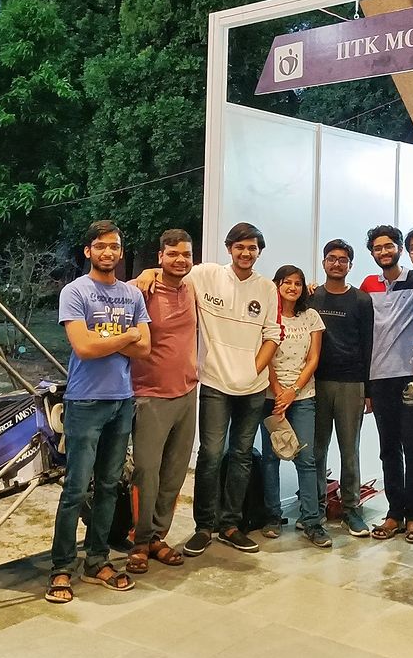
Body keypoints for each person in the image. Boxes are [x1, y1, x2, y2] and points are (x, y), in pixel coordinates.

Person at [135, 222, 282, 556]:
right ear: (229, 249)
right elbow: (173, 270)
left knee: (241, 456)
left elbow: (273, 334)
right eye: (240, 247)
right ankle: (204, 526)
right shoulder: (205, 275)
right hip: (214, 383)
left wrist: (252, 370)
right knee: (211, 454)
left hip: (253, 388)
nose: (246, 253)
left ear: (259, 252)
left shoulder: (266, 288)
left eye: (252, 248)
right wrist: (147, 271)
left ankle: (230, 525)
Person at [45, 220, 151, 604]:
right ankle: (61, 567)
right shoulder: (75, 291)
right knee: (75, 488)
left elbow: (145, 349)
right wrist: (126, 335)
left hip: (122, 400)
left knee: (108, 486)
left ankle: (97, 561)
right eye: (101, 246)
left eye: (114, 246)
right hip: (85, 402)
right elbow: (84, 348)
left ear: (121, 252)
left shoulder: (132, 294)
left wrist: (106, 337)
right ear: (88, 251)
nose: (108, 252)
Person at [126, 229, 197, 575]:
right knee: (146, 472)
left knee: (174, 473)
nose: (180, 260)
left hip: (187, 392)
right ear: (160, 257)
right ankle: (140, 542)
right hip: (149, 395)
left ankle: (158, 536)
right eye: (173, 254)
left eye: (186, 254)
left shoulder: (192, 288)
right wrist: (146, 274)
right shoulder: (140, 291)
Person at [360, 225, 413, 544]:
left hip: (412, 376)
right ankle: (394, 513)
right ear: (372, 253)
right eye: (378, 248)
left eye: (389, 246)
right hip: (379, 378)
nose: (384, 252)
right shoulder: (367, 285)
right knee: (389, 449)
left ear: (400, 248)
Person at [260, 265, 331, 548]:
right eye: (286, 282)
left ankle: (312, 521)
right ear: (277, 285)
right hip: (270, 396)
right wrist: (278, 392)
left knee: (306, 458)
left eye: (297, 283)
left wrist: (293, 391)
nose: (292, 287)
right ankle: (272, 517)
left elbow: (313, 359)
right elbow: (264, 356)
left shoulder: (311, 316)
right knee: (270, 458)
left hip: (302, 396)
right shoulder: (268, 316)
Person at [309, 239, 373, 537]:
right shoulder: (312, 297)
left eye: (343, 259)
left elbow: (368, 344)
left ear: (350, 265)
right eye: (332, 258)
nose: (337, 263)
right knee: (317, 450)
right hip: (316, 383)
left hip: (351, 383)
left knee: (350, 450)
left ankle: (351, 509)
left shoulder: (361, 300)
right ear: (324, 262)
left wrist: (368, 390)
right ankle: (316, 508)